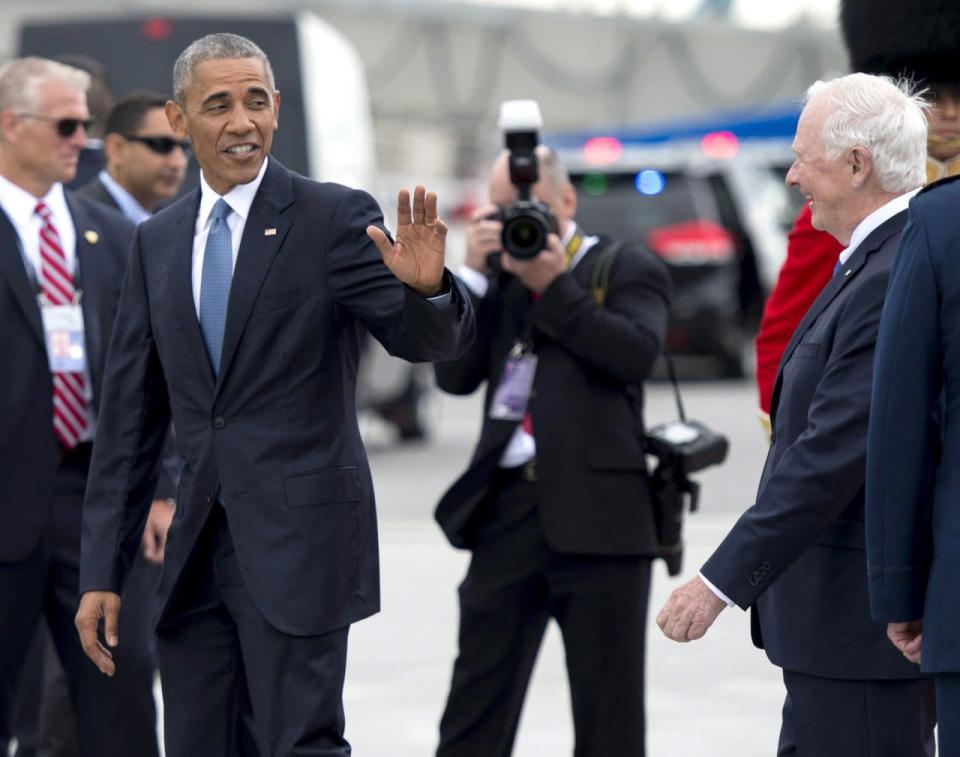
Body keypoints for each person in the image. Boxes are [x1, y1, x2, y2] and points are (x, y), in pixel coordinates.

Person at [73, 32, 473, 757]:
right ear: (178, 117)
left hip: (302, 545)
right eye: (218, 104)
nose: (241, 121)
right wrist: (102, 567)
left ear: (277, 109)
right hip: (195, 557)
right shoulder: (157, 241)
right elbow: (130, 420)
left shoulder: (331, 218)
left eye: (256, 101)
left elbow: (424, 343)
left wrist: (428, 290)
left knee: (299, 744)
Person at [656, 73, 937, 756]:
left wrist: (719, 581)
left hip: (861, 633)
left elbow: (829, 455)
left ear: (856, 164)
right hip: (840, 630)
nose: (789, 176)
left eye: (803, 156)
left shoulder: (892, 272)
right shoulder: (868, 263)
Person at [433, 145, 671, 756]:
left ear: (565, 201)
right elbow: (454, 380)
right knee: (475, 706)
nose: (516, 220)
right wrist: (476, 280)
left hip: (604, 518)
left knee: (609, 714)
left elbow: (634, 355)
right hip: (506, 511)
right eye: (502, 208)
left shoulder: (624, 267)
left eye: (528, 206)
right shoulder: (497, 281)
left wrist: (553, 287)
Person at [0, 57, 158, 757]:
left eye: (88, 126)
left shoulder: (116, 237)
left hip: (99, 509)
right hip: (6, 501)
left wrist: (167, 487)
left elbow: (162, 374)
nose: (82, 141)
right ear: (10, 126)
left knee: (121, 707)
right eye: (67, 125)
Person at [754, 0, 960, 433]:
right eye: (933, 94)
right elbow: (788, 328)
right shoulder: (856, 192)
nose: (950, 112)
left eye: (959, 95)